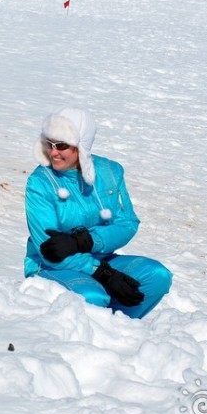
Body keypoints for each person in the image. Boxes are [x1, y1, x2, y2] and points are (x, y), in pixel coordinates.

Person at [23, 107, 172, 319]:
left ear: (81, 145)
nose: (53, 153)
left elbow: (127, 223)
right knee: (92, 297)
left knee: (157, 276)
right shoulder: (39, 183)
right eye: (49, 144)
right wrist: (102, 272)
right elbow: (49, 251)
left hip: (102, 258)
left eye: (62, 145)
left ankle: (120, 327)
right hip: (52, 267)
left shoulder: (110, 172)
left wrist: (86, 241)